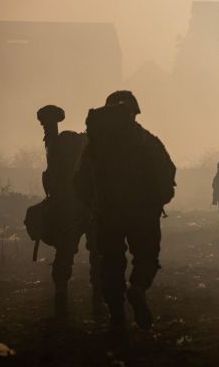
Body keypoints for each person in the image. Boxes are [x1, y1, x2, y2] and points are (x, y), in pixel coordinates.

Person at [75, 91, 176, 331]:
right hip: (142, 213)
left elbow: (79, 180)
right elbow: (166, 173)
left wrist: (92, 206)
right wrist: (158, 202)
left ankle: (117, 315)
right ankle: (138, 288)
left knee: (110, 262)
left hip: (107, 214)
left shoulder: (95, 144)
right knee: (146, 257)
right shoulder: (146, 140)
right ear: (134, 112)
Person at [36, 105, 101, 317]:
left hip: (68, 209)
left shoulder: (57, 146)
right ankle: (98, 294)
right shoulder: (93, 147)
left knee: (64, 252)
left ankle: (61, 289)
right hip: (90, 208)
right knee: (97, 253)